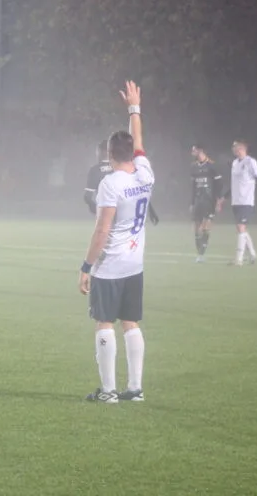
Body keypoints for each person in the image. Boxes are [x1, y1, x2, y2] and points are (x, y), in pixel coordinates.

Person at [79, 81, 152, 404]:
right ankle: (134, 388)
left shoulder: (111, 183)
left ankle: (108, 391)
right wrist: (134, 109)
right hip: (135, 264)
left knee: (104, 322)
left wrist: (86, 266)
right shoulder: (145, 174)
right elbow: (139, 144)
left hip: (110, 266)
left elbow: (101, 230)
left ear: (109, 155)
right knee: (130, 322)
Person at [216, 140, 257, 265]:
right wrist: (224, 198)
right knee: (240, 229)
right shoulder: (234, 164)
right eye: (233, 149)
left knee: (241, 227)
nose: (234, 150)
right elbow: (234, 185)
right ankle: (252, 255)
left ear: (242, 149)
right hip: (236, 201)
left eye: (236, 148)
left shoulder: (250, 162)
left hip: (246, 200)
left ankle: (239, 259)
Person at [85, 139, 160, 224]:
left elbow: (87, 197)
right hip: (126, 215)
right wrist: (151, 211)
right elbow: (139, 192)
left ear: (103, 152)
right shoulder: (123, 167)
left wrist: (98, 211)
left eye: (98, 151)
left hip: (108, 215)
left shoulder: (95, 170)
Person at [190, 144, 223, 262]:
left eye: (194, 149)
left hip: (209, 201)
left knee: (205, 227)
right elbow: (193, 186)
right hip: (198, 201)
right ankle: (199, 252)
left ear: (200, 150)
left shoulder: (212, 166)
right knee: (196, 228)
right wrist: (192, 202)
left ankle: (201, 254)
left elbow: (219, 185)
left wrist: (219, 200)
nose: (192, 151)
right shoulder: (193, 167)